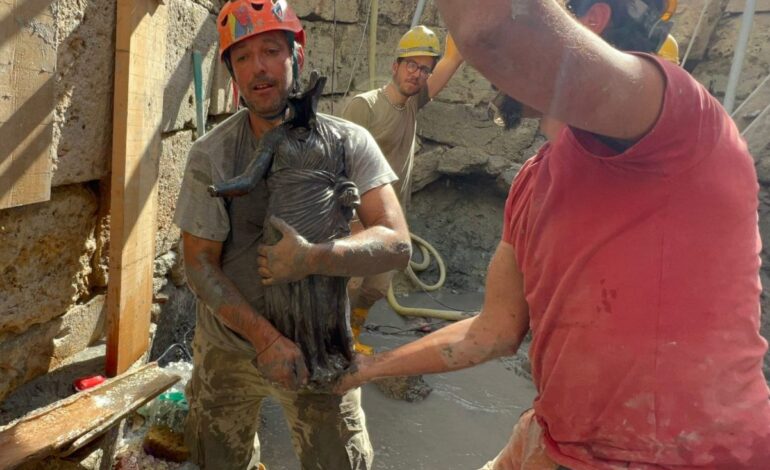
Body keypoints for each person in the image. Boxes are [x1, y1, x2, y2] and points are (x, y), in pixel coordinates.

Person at [338, 0, 770, 468]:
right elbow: (493, 331)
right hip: (557, 438)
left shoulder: (684, 124)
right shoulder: (533, 182)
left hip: (688, 458)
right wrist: (368, 368)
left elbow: (490, 29)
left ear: (593, 20)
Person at [173, 1, 411, 468]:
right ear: (231, 74)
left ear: (297, 57)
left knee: (339, 461)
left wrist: (315, 257)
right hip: (229, 347)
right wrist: (264, 339)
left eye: (271, 50)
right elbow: (198, 263)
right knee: (216, 458)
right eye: (241, 57)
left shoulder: (347, 142)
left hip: (320, 347)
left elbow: (397, 243)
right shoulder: (213, 154)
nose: (258, 67)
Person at [342, 25, 465, 354]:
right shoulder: (363, 106)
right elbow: (340, 169)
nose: (418, 73)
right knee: (349, 284)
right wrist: (352, 223)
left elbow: (454, 57)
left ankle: (353, 335)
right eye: (411, 64)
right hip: (358, 218)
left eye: (424, 68)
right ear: (395, 65)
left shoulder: (414, 103)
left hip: (391, 220)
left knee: (377, 287)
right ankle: (334, 341)